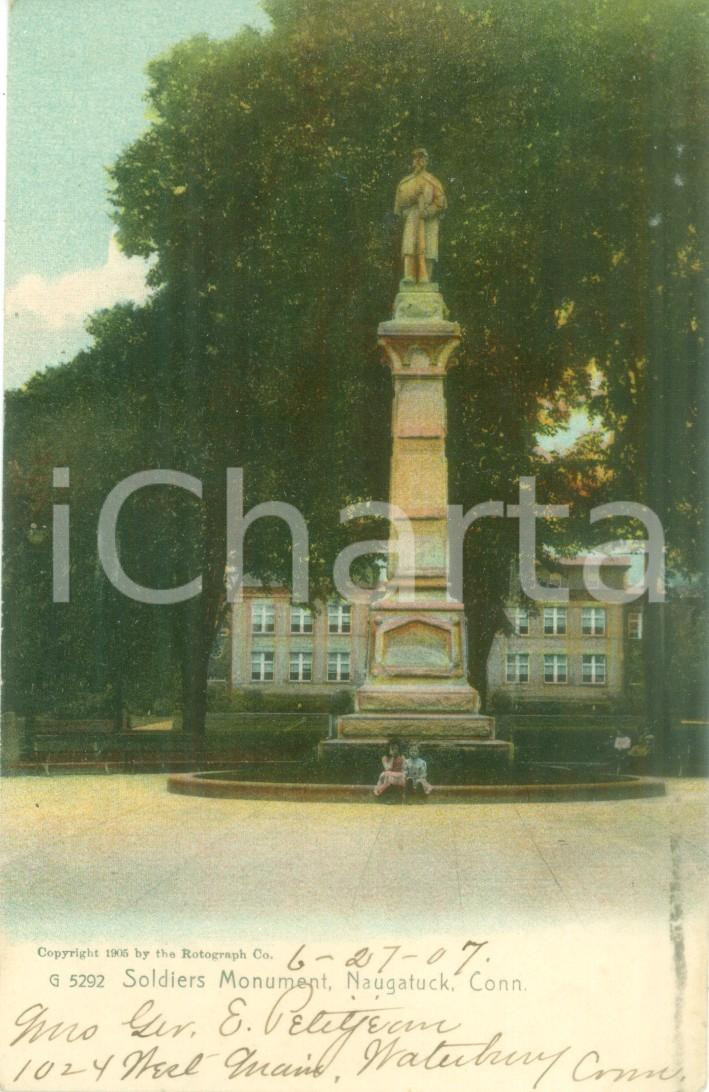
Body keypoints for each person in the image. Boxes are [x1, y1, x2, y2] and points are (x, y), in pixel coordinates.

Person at [394, 148, 447, 284]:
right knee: (409, 246)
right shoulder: (405, 183)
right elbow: (399, 204)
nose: (418, 161)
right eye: (416, 158)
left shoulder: (433, 181)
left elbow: (441, 202)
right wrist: (413, 195)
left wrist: (429, 212)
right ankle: (409, 275)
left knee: (429, 248)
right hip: (411, 219)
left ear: (426, 161)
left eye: (422, 158)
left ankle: (426, 277)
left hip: (429, 220)